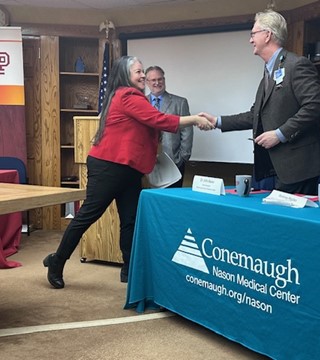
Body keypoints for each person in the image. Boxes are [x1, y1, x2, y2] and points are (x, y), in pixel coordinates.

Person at [43, 56, 213, 289]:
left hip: (130, 170)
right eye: (138, 72)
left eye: (143, 71)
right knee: (88, 216)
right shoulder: (127, 95)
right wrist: (194, 119)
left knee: (130, 220)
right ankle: (57, 261)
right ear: (126, 76)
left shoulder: (128, 97)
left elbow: (147, 128)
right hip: (109, 167)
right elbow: (158, 119)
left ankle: (128, 270)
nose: (143, 76)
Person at [201, 9, 320, 195]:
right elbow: (255, 115)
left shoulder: (296, 65)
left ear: (267, 35)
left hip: (300, 167)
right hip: (277, 167)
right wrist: (217, 121)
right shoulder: (267, 75)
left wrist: (280, 134)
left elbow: (315, 106)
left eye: (253, 33)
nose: (250, 39)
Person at [145, 66, 193, 187]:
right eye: (153, 80)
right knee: (150, 199)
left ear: (164, 80)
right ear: (147, 82)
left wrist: (182, 157)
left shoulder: (180, 102)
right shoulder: (141, 102)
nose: (157, 83)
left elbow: (187, 131)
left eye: (160, 79)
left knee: (172, 199)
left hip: (173, 161)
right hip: (145, 162)